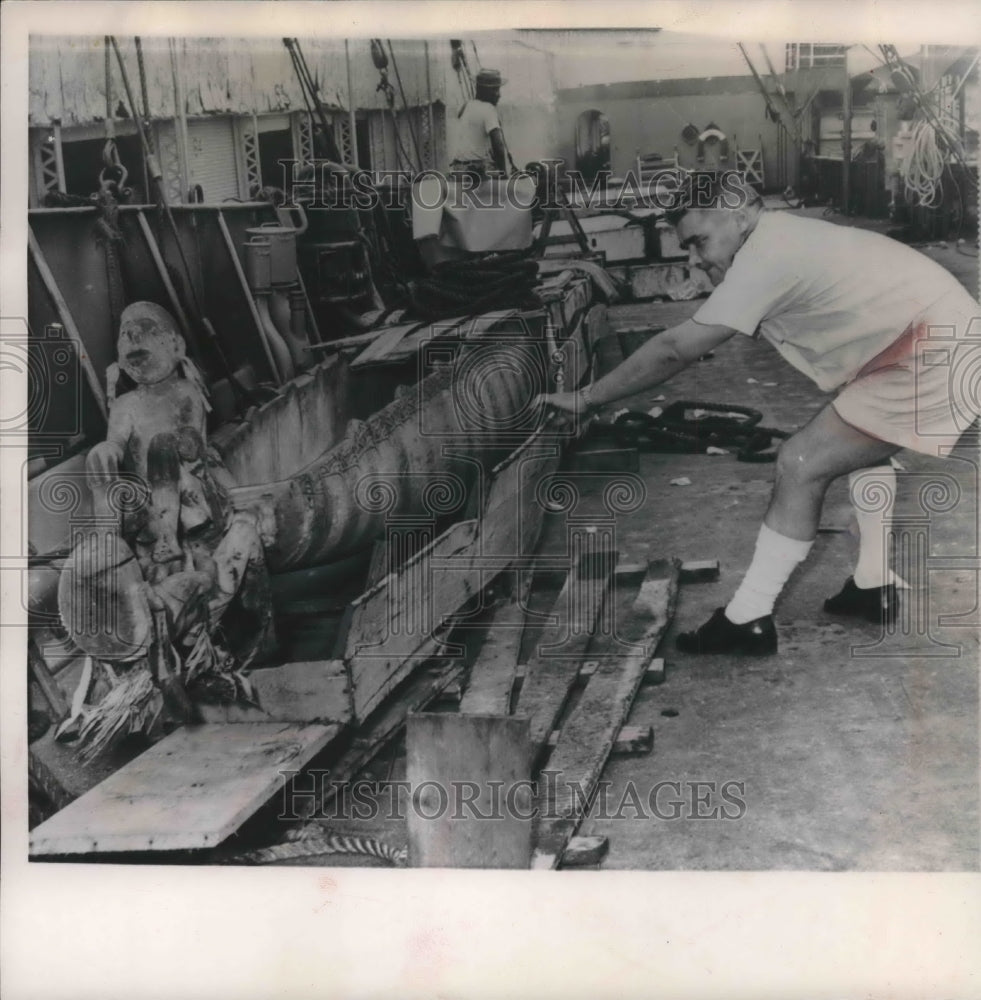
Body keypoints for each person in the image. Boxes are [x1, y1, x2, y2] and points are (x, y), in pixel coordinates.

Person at [536, 173, 981, 655]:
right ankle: (873, 584)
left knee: (801, 464)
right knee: (860, 448)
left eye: (699, 242)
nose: (695, 260)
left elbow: (672, 349)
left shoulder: (765, 257)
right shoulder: (779, 236)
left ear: (741, 214)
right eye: (686, 247)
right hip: (934, 336)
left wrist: (587, 399)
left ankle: (748, 617)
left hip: (932, 352)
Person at [448, 68, 511, 178]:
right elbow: (498, 146)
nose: (499, 95)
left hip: (457, 168)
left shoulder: (466, 105)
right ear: (486, 91)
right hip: (474, 171)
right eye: (496, 90)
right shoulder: (489, 109)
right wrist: (503, 174)